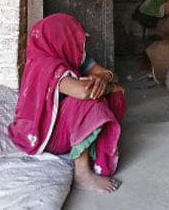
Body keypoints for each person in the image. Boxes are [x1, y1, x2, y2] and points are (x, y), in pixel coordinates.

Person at [8, 13, 126, 193]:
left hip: (63, 126)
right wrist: (107, 87)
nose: (80, 45)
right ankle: (82, 173)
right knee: (88, 103)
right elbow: (83, 92)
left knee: (115, 94)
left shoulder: (73, 58)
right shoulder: (44, 65)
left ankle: (93, 150)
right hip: (46, 134)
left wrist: (104, 77)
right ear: (62, 39)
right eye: (74, 39)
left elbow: (109, 74)